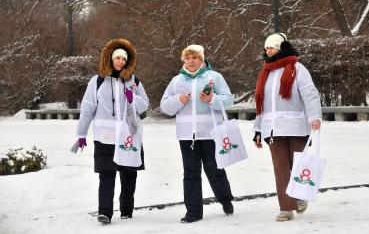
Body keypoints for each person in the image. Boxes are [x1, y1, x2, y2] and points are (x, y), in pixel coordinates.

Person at [76, 38, 149, 224]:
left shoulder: (134, 81)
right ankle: (105, 212)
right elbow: (87, 108)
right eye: (117, 58)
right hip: (105, 137)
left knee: (128, 174)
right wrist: (81, 134)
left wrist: (133, 99)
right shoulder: (97, 81)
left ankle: (126, 210)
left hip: (129, 137)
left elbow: (145, 104)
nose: (120, 62)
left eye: (124, 59)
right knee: (107, 175)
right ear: (110, 58)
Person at [160, 44, 235, 223]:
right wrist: (178, 100)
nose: (191, 61)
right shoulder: (176, 81)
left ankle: (225, 200)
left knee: (215, 170)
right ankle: (193, 212)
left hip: (210, 133)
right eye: (188, 58)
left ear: (202, 59)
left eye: (195, 58)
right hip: (187, 136)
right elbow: (164, 106)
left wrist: (213, 99)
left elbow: (228, 99)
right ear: (183, 60)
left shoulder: (214, 77)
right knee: (191, 173)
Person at [253, 33, 321, 222]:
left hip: (297, 127)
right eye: (267, 48)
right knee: (280, 168)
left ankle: (299, 197)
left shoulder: (297, 68)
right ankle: (286, 208)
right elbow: (261, 105)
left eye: (272, 47)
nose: (269, 51)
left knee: (297, 166)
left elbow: (310, 94)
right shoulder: (264, 73)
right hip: (272, 129)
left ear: (282, 48)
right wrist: (258, 130)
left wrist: (314, 116)